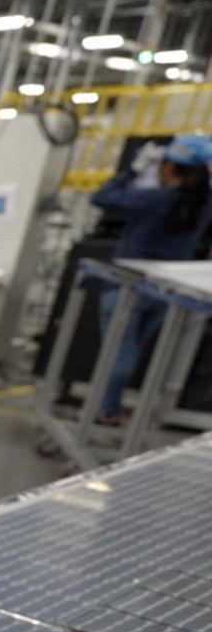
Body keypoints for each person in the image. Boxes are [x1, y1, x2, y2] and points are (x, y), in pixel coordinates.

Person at [88, 135, 212, 425]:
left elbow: (102, 198)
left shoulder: (155, 199)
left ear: (169, 165)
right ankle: (110, 410)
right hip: (164, 292)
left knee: (117, 357)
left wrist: (133, 171)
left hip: (128, 287)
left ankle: (104, 413)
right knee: (130, 352)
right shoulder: (203, 205)